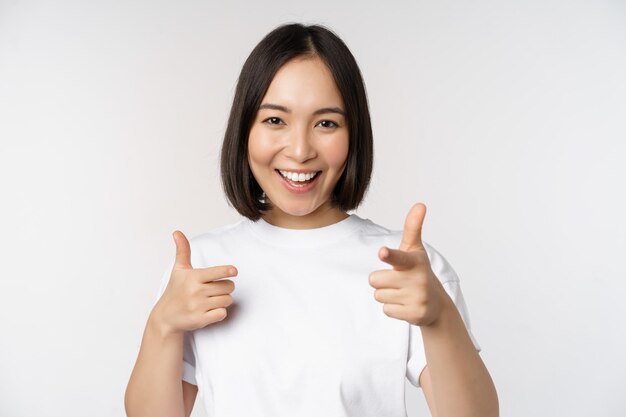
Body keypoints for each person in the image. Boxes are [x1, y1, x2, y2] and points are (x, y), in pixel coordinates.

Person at [125, 23, 498, 417]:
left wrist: (440, 316)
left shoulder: (403, 268)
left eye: (326, 123)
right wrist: (161, 327)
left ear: (354, 135)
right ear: (244, 130)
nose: (300, 150)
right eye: (275, 120)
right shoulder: (201, 266)